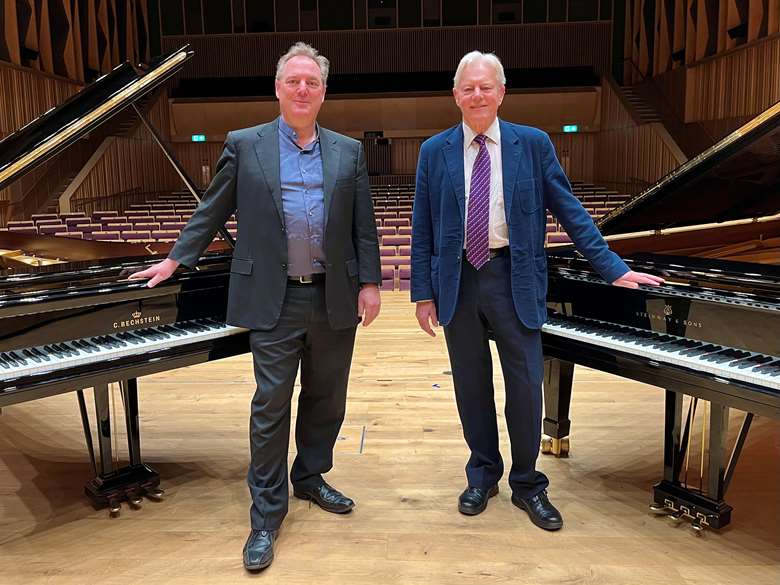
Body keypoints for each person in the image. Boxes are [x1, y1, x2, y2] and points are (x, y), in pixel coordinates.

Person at [130, 42, 381, 571]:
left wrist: (372, 282)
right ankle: (266, 515)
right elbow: (212, 206)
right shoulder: (246, 145)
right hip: (275, 296)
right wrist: (175, 260)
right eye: (293, 80)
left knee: (327, 398)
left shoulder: (348, 151)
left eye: (312, 81)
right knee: (271, 405)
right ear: (277, 88)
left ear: (323, 91)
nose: (302, 89)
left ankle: (310, 476)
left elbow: (364, 223)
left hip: (334, 294)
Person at [410, 51, 663, 531]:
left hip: (514, 278)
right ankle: (483, 474)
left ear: (502, 93)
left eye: (487, 87)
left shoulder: (533, 144)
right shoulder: (433, 151)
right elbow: (422, 227)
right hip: (458, 281)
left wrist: (612, 269)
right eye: (469, 88)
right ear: (456, 95)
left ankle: (528, 483)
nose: (478, 95)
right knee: (471, 384)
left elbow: (571, 211)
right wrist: (423, 292)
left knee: (525, 387)